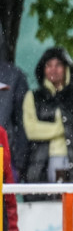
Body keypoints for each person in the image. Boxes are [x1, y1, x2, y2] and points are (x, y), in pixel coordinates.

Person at [22, 48, 73, 197]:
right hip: (43, 163)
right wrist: (62, 127)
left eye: (58, 65)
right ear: (43, 69)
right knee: (49, 208)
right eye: (49, 65)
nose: (53, 69)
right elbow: (31, 129)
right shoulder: (33, 97)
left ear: (66, 69)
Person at [0, 24, 29, 179]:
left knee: (3, 203)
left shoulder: (13, 76)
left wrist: (18, 162)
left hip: (4, 158)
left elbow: (23, 122)